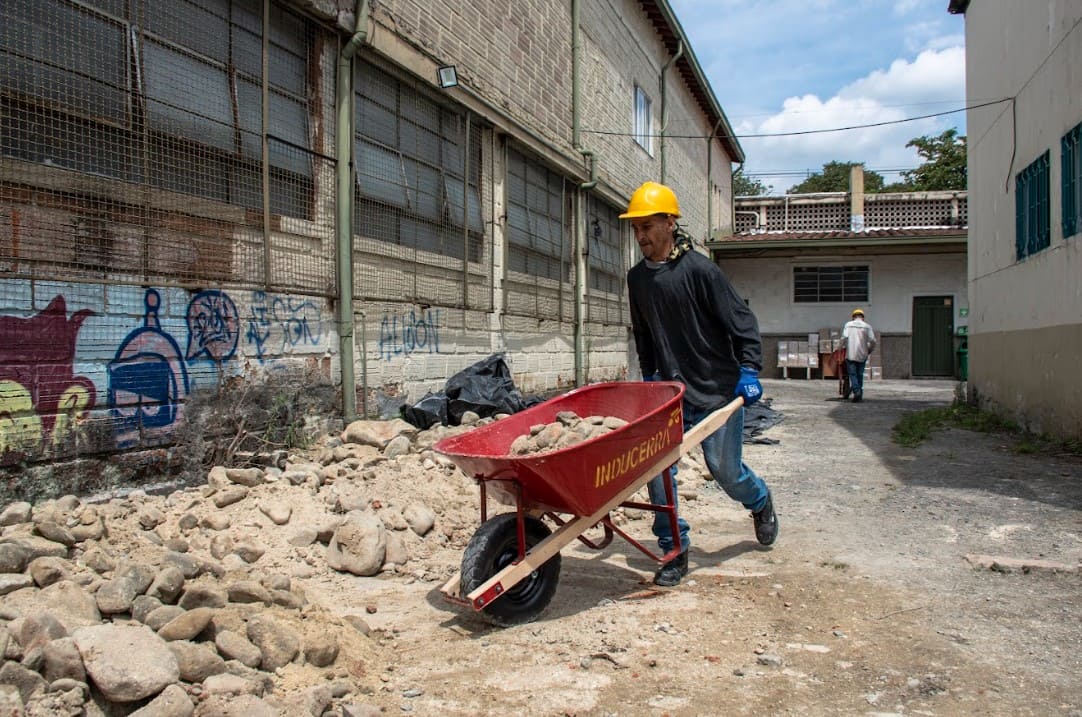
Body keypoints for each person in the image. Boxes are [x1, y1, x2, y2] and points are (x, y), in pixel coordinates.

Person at [621, 181, 779, 587]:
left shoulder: (701, 271)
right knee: (659, 472)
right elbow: (643, 333)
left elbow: (743, 322)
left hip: (715, 392)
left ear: (670, 223)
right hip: (670, 396)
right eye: (635, 228)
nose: (641, 236)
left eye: (647, 226)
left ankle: (760, 500)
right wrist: (651, 375)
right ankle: (673, 548)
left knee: (725, 471)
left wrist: (748, 370)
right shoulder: (637, 279)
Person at [841, 308, 877, 402]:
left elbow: (844, 338)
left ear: (853, 317)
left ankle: (856, 391)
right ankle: (859, 395)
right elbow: (873, 341)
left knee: (852, 374)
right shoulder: (867, 326)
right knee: (859, 374)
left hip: (851, 354)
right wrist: (869, 350)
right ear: (863, 317)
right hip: (863, 354)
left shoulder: (848, 325)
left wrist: (840, 347)